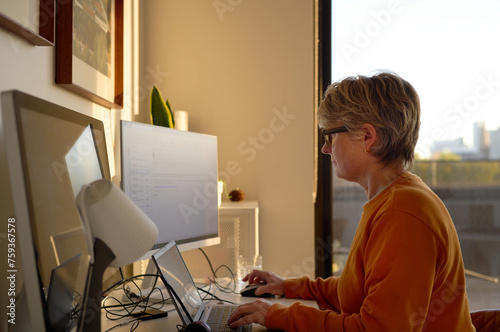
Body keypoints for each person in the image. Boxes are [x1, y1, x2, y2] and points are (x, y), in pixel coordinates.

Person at [227, 72, 475, 331]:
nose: (325, 148)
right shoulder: (395, 199)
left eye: (330, 136)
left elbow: (376, 329)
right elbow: (358, 291)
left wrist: (278, 315)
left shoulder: (402, 212)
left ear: (367, 137)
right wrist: (288, 286)